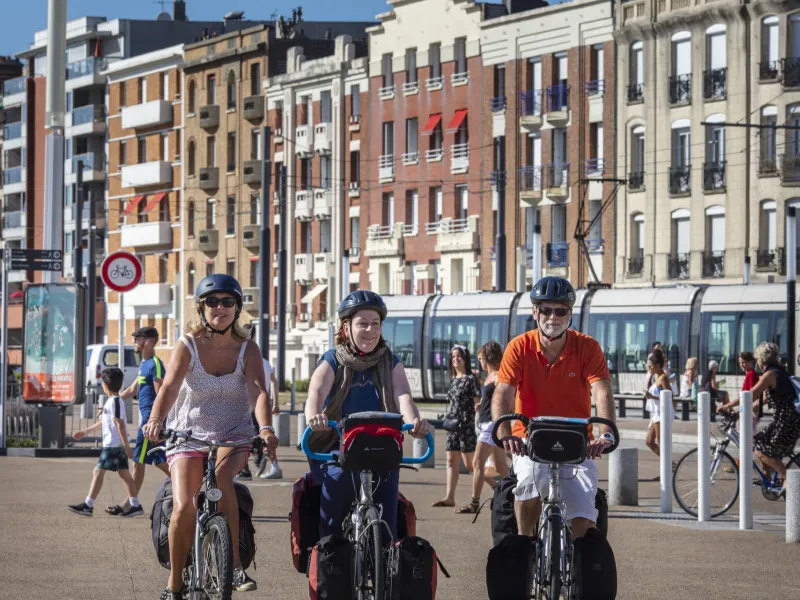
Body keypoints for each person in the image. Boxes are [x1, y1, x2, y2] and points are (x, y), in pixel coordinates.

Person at [142, 275, 278, 599]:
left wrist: (266, 428)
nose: (220, 307)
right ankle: (174, 583)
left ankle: (233, 568)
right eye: (212, 301)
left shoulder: (248, 348)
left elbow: (258, 391)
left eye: (228, 301)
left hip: (233, 433)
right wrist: (155, 419)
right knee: (184, 507)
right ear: (201, 307)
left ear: (237, 308)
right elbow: (171, 385)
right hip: (188, 432)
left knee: (221, 478)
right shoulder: (188, 343)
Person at [492, 276, 616, 539]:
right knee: (528, 485)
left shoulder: (588, 347)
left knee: (584, 517)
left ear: (570, 314)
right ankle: (524, 545)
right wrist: (505, 433)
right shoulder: (519, 347)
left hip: (576, 443)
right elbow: (503, 393)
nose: (553, 317)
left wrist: (605, 433)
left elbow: (602, 390)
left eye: (560, 311)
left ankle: (579, 570)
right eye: (546, 310)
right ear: (534, 311)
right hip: (528, 441)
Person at [305, 290, 430, 540]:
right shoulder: (333, 360)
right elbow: (316, 394)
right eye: (362, 324)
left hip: (380, 448)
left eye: (376, 324)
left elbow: (403, 395)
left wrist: (414, 421)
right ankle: (329, 556)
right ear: (346, 327)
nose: (370, 331)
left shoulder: (390, 362)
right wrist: (314, 417)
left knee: (388, 512)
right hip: (337, 449)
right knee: (335, 499)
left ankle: (387, 563)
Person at [105, 327, 169, 515]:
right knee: (155, 460)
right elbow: (133, 390)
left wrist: (158, 421)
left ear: (148, 341)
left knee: (139, 462)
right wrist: (112, 402)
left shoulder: (156, 364)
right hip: (148, 422)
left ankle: (131, 505)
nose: (134, 341)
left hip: (150, 422)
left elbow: (161, 393)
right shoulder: (145, 364)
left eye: (137, 338)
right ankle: (191, 489)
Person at [68, 368, 142, 517]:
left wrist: (127, 447)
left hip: (113, 446)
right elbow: (105, 422)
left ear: (105, 385)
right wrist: (85, 432)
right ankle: (135, 505)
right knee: (125, 475)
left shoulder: (115, 402)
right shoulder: (113, 402)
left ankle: (88, 505)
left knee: (98, 471)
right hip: (116, 445)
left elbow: (120, 424)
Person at [457, 341, 510, 515]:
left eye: (481, 358)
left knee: (477, 463)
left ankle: (474, 503)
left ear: (488, 357)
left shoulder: (500, 375)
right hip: (487, 422)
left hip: (492, 425)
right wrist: (482, 405)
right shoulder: (490, 375)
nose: (480, 362)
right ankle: (517, 493)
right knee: (501, 466)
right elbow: (492, 398)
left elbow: (505, 399)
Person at [432, 344, 481, 509]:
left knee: (470, 464)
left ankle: (496, 486)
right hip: (452, 426)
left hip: (465, 427)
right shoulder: (453, 380)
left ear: (465, 358)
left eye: (459, 356)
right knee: (451, 461)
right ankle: (449, 497)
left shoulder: (470, 379)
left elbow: (477, 402)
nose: (455, 359)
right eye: (453, 357)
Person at [749, 342, 800, 495]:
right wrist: (748, 407)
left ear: (761, 359)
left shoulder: (769, 375)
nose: (757, 361)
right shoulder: (779, 371)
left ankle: (787, 478)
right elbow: (763, 399)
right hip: (787, 420)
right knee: (760, 441)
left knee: (760, 451)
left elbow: (751, 393)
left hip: (787, 421)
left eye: (757, 358)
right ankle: (767, 476)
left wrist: (728, 406)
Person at [237, 327, 283, 480]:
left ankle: (250, 466)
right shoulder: (264, 362)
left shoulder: (244, 360)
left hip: (250, 406)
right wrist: (275, 403)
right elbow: (275, 383)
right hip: (263, 405)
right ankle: (270, 464)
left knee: (242, 436)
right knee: (264, 436)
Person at [643, 351, 675, 476]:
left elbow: (669, 396)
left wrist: (651, 396)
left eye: (651, 366)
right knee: (649, 441)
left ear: (658, 365)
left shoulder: (663, 378)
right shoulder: (656, 377)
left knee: (661, 442)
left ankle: (666, 471)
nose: (649, 368)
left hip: (662, 413)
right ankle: (670, 464)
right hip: (656, 413)